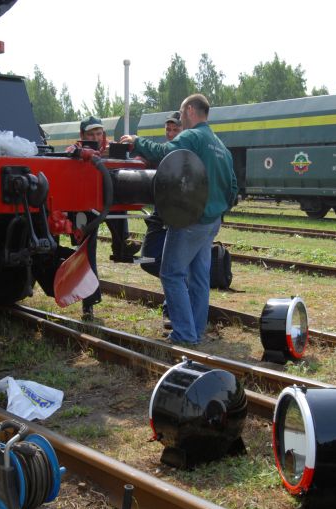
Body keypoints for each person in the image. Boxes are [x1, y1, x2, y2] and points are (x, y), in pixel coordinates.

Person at [121, 95, 237, 345]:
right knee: (199, 277)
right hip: (211, 222)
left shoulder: (193, 137)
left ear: (191, 110)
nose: (180, 118)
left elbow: (165, 151)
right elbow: (234, 187)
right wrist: (217, 209)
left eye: (182, 112)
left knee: (171, 273)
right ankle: (195, 331)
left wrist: (137, 142)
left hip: (191, 220)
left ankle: (184, 334)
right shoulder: (221, 146)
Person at [66, 116, 140, 318]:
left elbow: (131, 159)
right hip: (85, 206)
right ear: (82, 136)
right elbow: (69, 154)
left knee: (120, 212)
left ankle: (122, 245)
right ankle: (88, 304)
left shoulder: (111, 149)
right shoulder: (75, 149)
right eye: (91, 134)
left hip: (108, 203)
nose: (96, 138)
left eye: (99, 134)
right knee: (87, 253)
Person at [140, 111, 183, 329]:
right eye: (168, 129)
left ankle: (171, 310)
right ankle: (179, 298)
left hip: (177, 216)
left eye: (175, 129)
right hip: (160, 215)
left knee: (170, 265)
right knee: (150, 260)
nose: (171, 133)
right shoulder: (162, 153)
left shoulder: (185, 152)